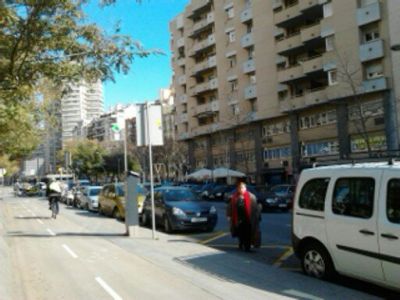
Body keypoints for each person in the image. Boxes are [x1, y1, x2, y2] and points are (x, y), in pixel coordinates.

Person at [227, 181, 261, 252]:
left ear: (245, 188)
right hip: (238, 218)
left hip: (248, 218)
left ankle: (247, 247)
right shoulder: (234, 197)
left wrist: (258, 217)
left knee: (248, 233)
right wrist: (229, 215)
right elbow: (230, 207)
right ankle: (241, 244)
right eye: (239, 188)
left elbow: (256, 208)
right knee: (240, 232)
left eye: (242, 188)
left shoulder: (251, 196)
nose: (241, 189)